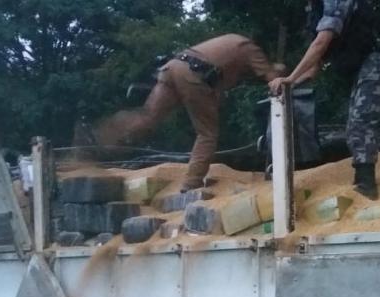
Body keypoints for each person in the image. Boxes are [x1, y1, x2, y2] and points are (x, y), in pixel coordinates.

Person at [98, 34, 285, 191]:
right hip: (194, 75)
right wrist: (280, 74)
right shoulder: (250, 49)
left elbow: (216, 86)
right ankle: (191, 183)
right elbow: (272, 80)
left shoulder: (229, 46)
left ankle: (102, 140)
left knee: (148, 116)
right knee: (207, 134)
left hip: (173, 67)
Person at [269, 0, 380, 200]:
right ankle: (363, 181)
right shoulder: (314, 11)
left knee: (360, 120)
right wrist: (288, 86)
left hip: (378, 58)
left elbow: (321, 43)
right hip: (361, 64)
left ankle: (366, 185)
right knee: (353, 124)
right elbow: (313, 67)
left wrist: (290, 78)